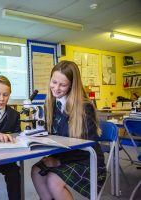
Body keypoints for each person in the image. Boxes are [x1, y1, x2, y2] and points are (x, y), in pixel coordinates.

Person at [31, 60, 106, 200]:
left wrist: (58, 162)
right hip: (63, 155)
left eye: (63, 85)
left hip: (86, 160)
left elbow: (88, 146)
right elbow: (52, 135)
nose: (56, 88)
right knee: (36, 171)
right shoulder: (50, 103)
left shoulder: (84, 107)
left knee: (53, 181)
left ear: (72, 85)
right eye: (54, 82)